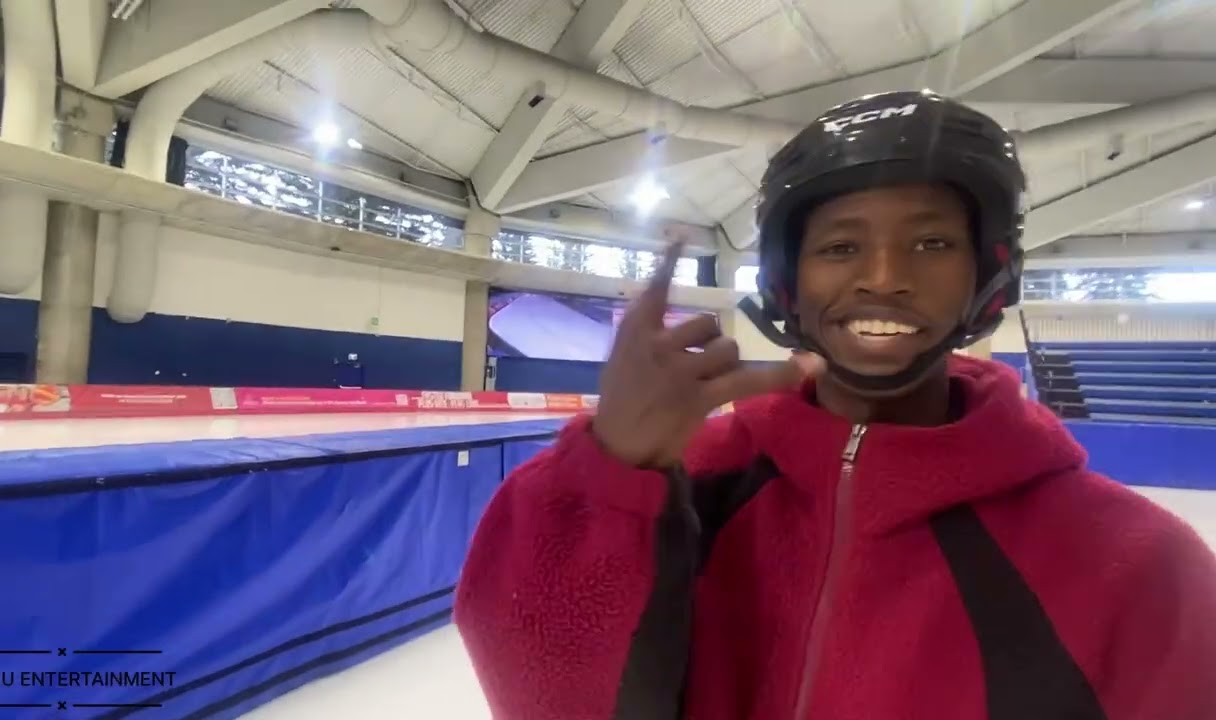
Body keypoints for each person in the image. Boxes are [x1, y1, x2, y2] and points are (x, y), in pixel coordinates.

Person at [452, 91, 1216, 719]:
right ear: (787, 282)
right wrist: (605, 473)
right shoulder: (695, 482)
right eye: (840, 247)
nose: (883, 277)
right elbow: (546, 696)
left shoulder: (1138, 560)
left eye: (932, 244)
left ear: (990, 274)